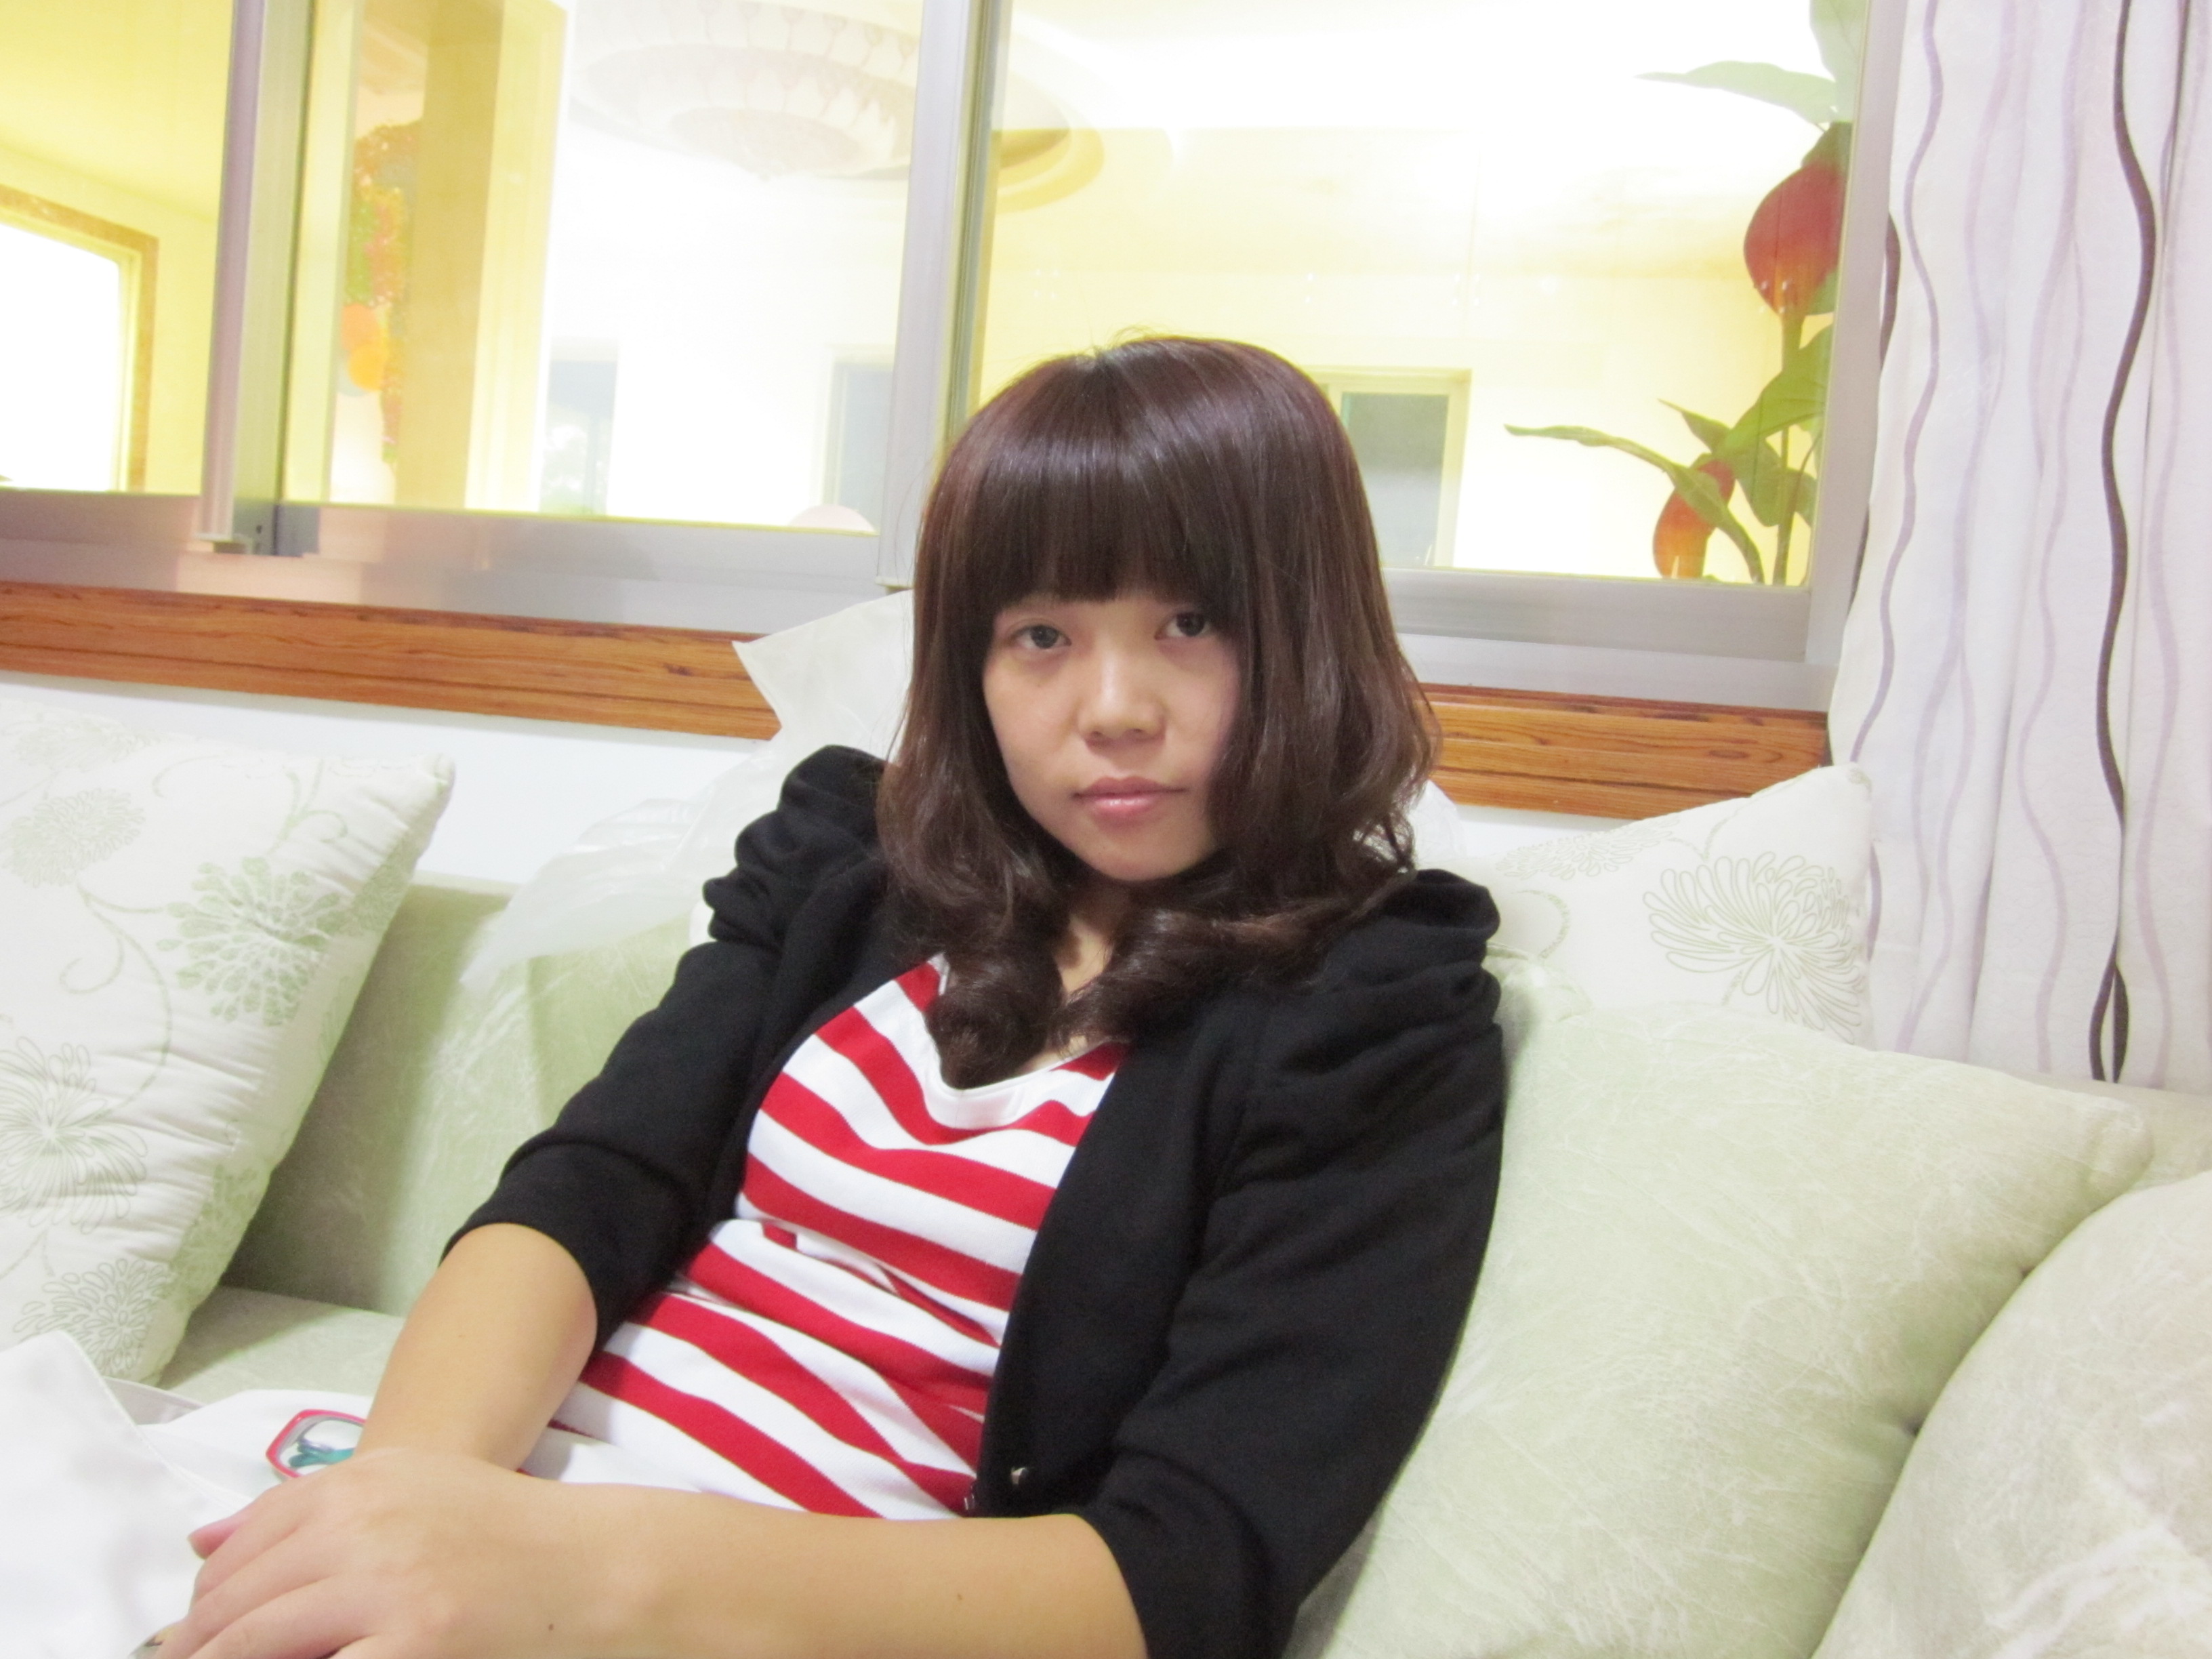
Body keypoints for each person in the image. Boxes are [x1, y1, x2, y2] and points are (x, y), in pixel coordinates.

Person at [165, 336, 1504, 1659]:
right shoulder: (851, 867)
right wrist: (398, 1521)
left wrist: (572, 1569)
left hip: (711, 1605)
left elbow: (1188, 1571)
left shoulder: (1371, 1019)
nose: (1114, 708)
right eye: (1041, 634)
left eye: (1191, 624)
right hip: (490, 1523)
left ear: (1313, 633)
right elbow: (592, 1187)